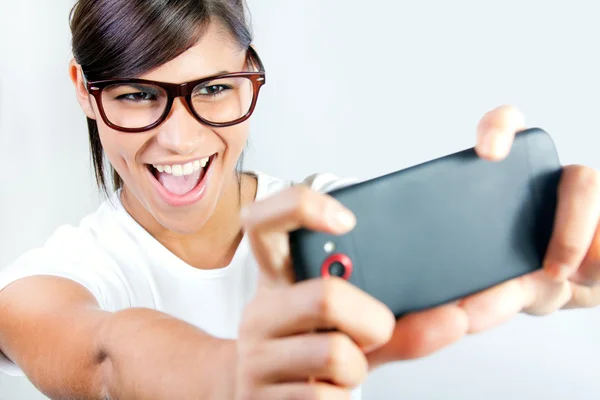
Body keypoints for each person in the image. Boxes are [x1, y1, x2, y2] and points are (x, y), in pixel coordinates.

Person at [0, 0, 599, 399]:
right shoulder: (56, 280)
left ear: (250, 73)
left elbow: (541, 278)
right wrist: (232, 376)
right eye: (135, 94)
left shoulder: (333, 218)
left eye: (212, 88)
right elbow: (105, 358)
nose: (178, 137)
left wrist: (564, 270)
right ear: (84, 90)